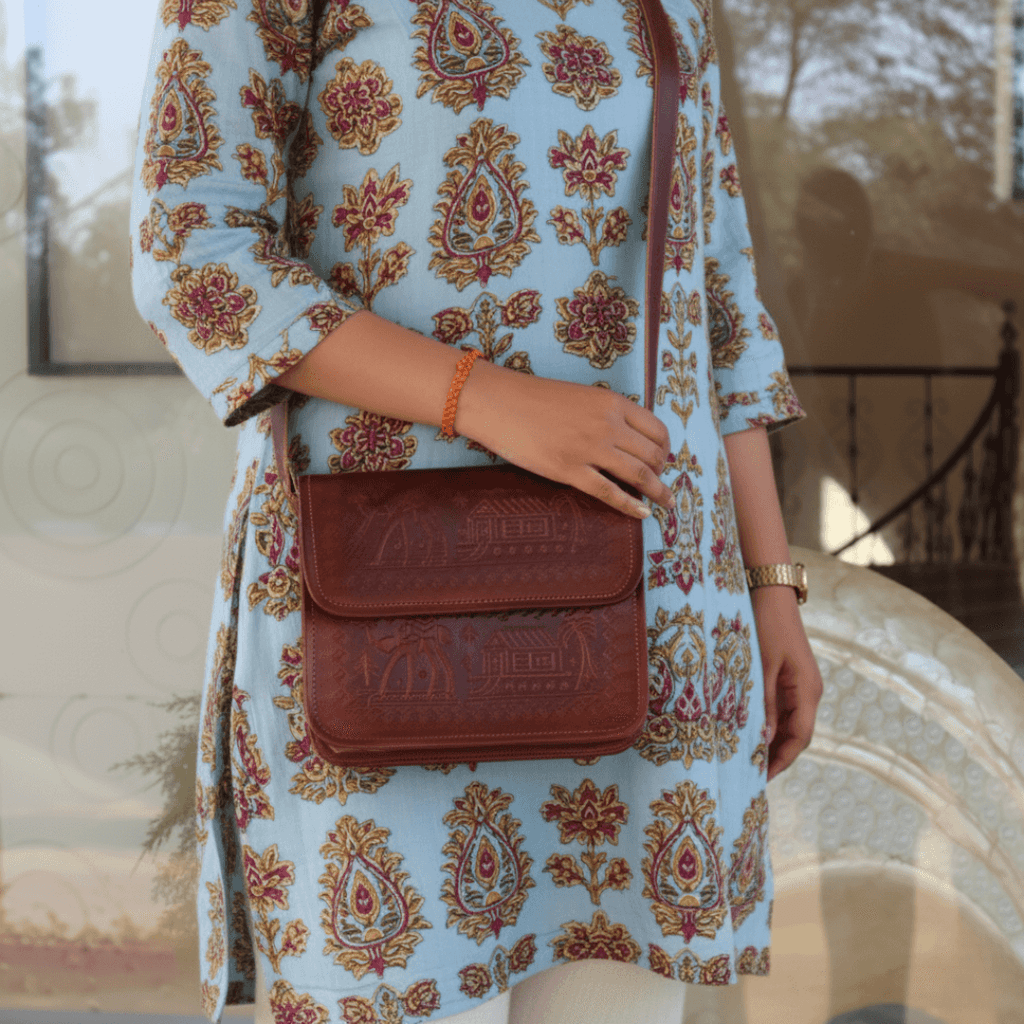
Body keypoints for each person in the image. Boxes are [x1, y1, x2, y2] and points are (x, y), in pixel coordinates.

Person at [130, 2, 823, 1022]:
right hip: (379, 609)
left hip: (657, 617)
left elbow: (714, 292)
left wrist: (769, 584)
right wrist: (489, 401)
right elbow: (194, 253)